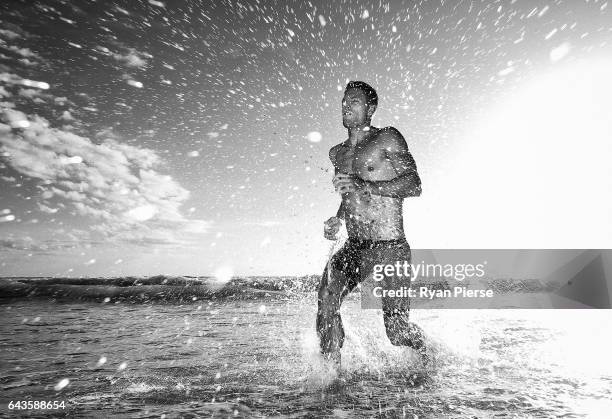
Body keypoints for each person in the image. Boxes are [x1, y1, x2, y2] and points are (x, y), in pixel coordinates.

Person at [317, 81, 425, 366]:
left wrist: (365, 185)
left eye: (354, 101)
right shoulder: (337, 153)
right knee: (326, 300)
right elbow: (350, 193)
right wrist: (337, 219)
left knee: (397, 331)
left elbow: (414, 184)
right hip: (355, 246)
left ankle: (426, 352)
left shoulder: (387, 138)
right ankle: (330, 377)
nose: (346, 106)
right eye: (343, 101)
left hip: (391, 247)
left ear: (371, 108)